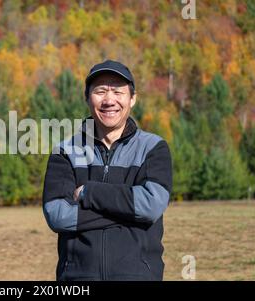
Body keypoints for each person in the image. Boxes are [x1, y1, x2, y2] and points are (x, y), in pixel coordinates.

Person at [42, 60, 173, 281]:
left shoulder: (153, 148)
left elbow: (150, 205)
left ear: (132, 99)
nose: (109, 100)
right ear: (87, 98)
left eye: (118, 92)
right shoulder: (64, 151)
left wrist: (88, 193)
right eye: (100, 91)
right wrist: (130, 213)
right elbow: (57, 215)